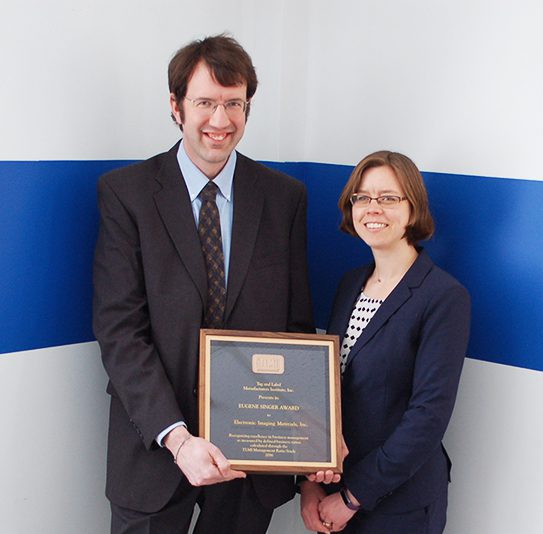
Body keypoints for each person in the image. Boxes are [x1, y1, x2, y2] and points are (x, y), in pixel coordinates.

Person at [93, 34, 315, 534]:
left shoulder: (284, 200)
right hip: (152, 450)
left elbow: (296, 331)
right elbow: (119, 331)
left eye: (233, 103)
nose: (220, 120)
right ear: (176, 107)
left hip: (250, 456)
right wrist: (178, 439)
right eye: (205, 103)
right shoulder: (126, 195)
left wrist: (312, 440)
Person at [300, 151, 471, 534]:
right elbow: (322, 390)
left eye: (389, 198)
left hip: (399, 505)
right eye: (362, 197)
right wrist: (309, 484)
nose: (372, 208)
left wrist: (351, 498)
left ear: (413, 210)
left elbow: (427, 417)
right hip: (333, 488)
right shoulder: (350, 284)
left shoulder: (443, 297)